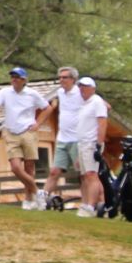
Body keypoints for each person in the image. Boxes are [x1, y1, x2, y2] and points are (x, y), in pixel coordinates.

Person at [0, 66, 48, 209]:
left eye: (17, 77)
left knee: (29, 167)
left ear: (23, 80)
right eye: (12, 77)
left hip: (28, 132)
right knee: (15, 167)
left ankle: (28, 199)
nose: (14, 79)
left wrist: (38, 124)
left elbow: (47, 108)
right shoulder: (5, 92)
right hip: (10, 131)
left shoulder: (32, 94)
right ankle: (37, 192)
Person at [40, 67, 82, 211]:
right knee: (54, 171)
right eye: (60, 77)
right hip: (63, 139)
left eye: (65, 77)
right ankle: (43, 199)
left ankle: (93, 203)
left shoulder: (81, 92)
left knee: (84, 174)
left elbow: (103, 108)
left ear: (73, 79)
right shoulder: (59, 93)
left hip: (78, 139)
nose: (61, 80)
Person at [73, 76, 111, 216]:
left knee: (91, 175)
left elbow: (102, 123)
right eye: (81, 86)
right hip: (82, 143)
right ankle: (100, 205)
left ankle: (90, 206)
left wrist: (98, 144)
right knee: (85, 176)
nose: (82, 89)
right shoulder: (84, 104)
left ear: (93, 88)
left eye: (85, 86)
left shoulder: (96, 102)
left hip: (91, 143)